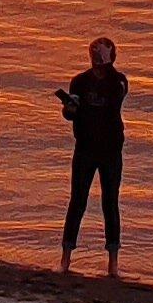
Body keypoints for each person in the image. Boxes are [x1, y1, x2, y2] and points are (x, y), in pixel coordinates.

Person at [57, 35, 129, 271]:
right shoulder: (79, 82)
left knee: (110, 202)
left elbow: (112, 106)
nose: (99, 68)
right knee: (77, 200)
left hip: (110, 150)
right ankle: (65, 259)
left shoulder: (118, 82)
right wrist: (69, 109)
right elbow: (71, 116)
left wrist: (81, 109)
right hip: (85, 148)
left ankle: (113, 263)